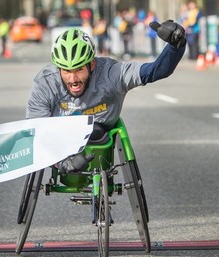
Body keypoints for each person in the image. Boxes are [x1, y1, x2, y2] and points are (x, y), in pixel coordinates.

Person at [26, 20, 186, 173]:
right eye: (66, 71)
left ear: (92, 65)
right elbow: (35, 130)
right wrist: (60, 159)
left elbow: (155, 71)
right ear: (58, 68)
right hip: (60, 139)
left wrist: (175, 46)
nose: (73, 79)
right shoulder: (45, 82)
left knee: (96, 131)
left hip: (100, 133)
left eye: (79, 70)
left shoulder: (113, 73)